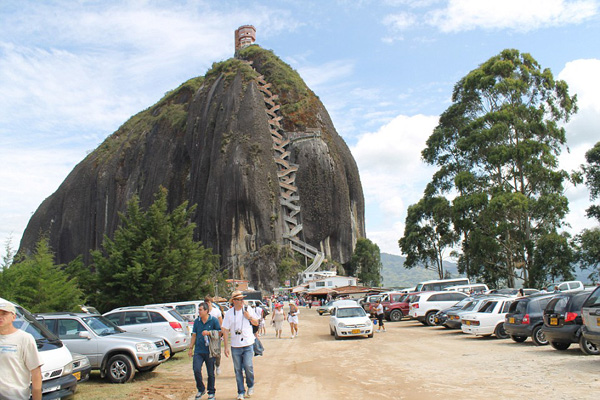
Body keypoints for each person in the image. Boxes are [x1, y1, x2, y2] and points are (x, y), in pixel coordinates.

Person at [0, 301, 43, 400]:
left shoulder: (24, 338)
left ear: (13, 317)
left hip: (16, 397)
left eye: (4, 314)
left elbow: (36, 372)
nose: (0, 317)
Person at [222, 291, 259, 400]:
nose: (242, 301)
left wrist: (249, 318)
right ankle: (241, 392)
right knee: (238, 369)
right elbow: (225, 330)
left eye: (242, 299)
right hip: (235, 345)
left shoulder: (248, 310)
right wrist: (225, 347)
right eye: (239, 299)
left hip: (247, 343)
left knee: (248, 366)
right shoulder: (229, 313)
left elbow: (256, 323)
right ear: (234, 301)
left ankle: (250, 384)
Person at [189, 302, 221, 400]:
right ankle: (201, 389)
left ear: (206, 311)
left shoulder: (213, 321)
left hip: (210, 351)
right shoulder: (197, 322)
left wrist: (209, 333)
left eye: (200, 310)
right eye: (198, 310)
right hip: (199, 350)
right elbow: (194, 335)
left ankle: (211, 392)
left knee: (210, 373)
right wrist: (191, 348)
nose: (199, 312)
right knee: (196, 369)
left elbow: (220, 333)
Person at [205, 295, 223, 376]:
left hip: (216, 334)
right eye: (206, 303)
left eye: (209, 302)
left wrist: (221, 332)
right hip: (207, 334)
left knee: (217, 352)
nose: (208, 304)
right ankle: (211, 368)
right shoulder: (205, 312)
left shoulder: (216, 311)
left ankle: (218, 365)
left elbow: (220, 321)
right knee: (209, 352)